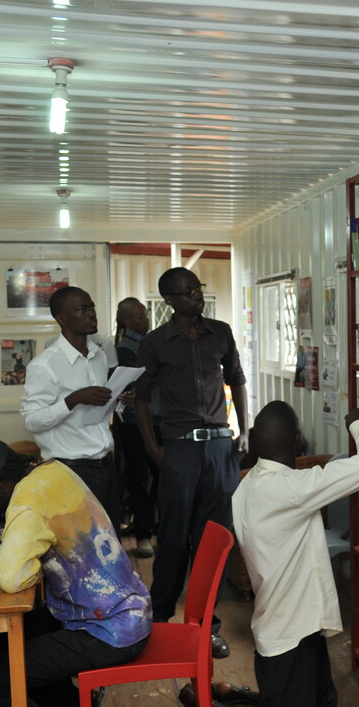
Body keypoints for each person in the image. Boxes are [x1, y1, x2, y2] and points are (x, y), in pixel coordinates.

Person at [0, 438, 152, 707]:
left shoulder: (26, 503)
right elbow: (44, 529)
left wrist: (24, 556)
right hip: (125, 610)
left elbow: (12, 578)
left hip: (106, 631)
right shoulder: (52, 471)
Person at [232, 403, 359, 707]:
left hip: (289, 631)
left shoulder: (246, 487)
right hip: (290, 643)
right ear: (298, 440)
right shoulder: (289, 489)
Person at [134, 266, 247, 659]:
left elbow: (236, 378)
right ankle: (160, 619)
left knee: (213, 541)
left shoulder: (221, 332)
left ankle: (206, 627)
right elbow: (141, 397)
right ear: (170, 300)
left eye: (198, 288)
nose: (196, 296)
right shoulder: (154, 342)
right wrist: (153, 447)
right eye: (187, 292)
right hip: (179, 449)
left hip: (220, 448)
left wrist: (243, 431)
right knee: (174, 540)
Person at [20, 286, 119, 523]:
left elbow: (99, 410)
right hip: (71, 470)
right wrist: (73, 399)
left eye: (92, 307)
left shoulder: (99, 355)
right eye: (82, 309)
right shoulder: (44, 365)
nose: (91, 313)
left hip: (106, 464)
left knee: (111, 542)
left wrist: (118, 399)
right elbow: (32, 420)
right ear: (61, 319)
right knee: (81, 549)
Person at [113, 296, 160, 557]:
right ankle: (143, 535)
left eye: (145, 315)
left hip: (162, 421)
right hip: (134, 422)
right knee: (140, 479)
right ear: (126, 321)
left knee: (163, 477)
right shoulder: (123, 349)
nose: (146, 319)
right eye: (140, 316)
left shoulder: (156, 341)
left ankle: (160, 529)